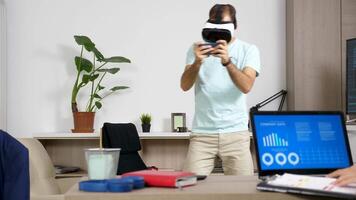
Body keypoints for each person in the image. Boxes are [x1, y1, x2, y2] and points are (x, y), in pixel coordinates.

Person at [180, 4, 261, 175]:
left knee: (242, 190)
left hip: (236, 134)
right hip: (202, 134)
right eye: (213, 24)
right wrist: (197, 62)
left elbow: (246, 86)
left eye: (222, 26)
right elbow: (185, 85)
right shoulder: (196, 49)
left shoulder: (248, 50)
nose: (217, 30)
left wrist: (227, 62)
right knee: (189, 188)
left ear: (234, 26)